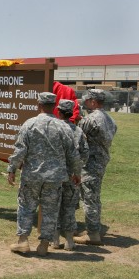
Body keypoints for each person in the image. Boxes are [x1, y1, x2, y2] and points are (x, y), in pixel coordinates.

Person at [7, 92, 81, 256]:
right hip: (54, 178)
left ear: (38, 105)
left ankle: (23, 241)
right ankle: (44, 245)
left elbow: (20, 150)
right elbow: (73, 154)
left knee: (26, 206)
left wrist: (12, 169)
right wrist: (77, 172)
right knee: (50, 210)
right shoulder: (63, 127)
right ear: (54, 106)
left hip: (32, 175)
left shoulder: (29, 124)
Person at [74, 89, 117, 245]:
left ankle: (93, 235)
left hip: (89, 163)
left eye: (86, 101)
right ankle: (93, 229)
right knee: (94, 197)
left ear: (93, 101)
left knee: (89, 198)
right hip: (101, 161)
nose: (84, 103)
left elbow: (77, 138)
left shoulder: (90, 119)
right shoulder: (110, 119)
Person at [53, 99, 89, 251]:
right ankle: (69, 241)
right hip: (72, 175)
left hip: (54, 175)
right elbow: (85, 153)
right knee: (68, 208)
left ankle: (54, 241)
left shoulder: (53, 128)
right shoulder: (78, 131)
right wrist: (77, 170)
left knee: (53, 207)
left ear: (59, 112)